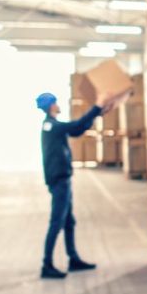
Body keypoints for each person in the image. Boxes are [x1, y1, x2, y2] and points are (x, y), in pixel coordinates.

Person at [36, 91, 110, 279]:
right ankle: (47, 265)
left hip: (62, 179)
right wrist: (97, 105)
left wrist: (98, 114)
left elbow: (77, 131)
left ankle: (73, 259)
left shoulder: (51, 125)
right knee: (57, 222)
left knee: (69, 221)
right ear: (51, 106)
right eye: (56, 102)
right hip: (60, 180)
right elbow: (75, 126)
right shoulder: (52, 126)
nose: (58, 104)